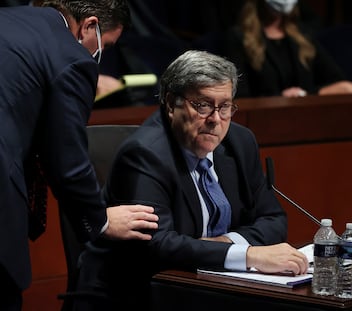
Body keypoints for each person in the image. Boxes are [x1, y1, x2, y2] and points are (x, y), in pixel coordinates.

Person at [72, 50, 309, 310]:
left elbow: (274, 219)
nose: (216, 120)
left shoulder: (239, 143)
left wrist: (223, 245)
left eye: (225, 107)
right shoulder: (145, 154)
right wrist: (248, 254)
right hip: (136, 296)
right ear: (172, 103)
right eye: (203, 105)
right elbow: (156, 245)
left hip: (207, 288)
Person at [0, 1, 159, 310]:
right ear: (89, 26)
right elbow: (66, 158)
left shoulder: (8, 19)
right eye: (105, 45)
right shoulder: (71, 57)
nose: (99, 55)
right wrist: (99, 220)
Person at [223, 0, 352, 98]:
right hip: (265, 118)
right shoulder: (239, 38)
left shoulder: (302, 36)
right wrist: (280, 98)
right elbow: (238, 95)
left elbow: (339, 82)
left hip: (307, 115)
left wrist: (304, 95)